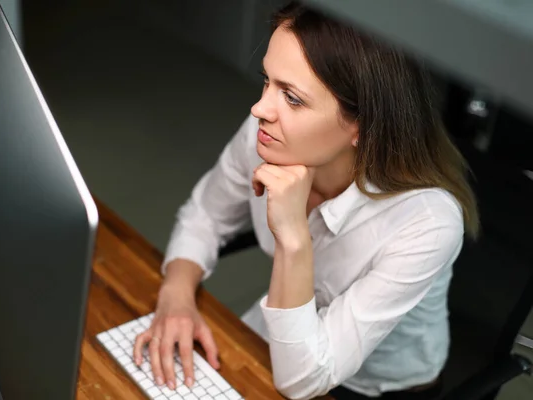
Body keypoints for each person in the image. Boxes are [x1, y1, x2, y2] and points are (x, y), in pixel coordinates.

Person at [133, 1, 479, 399]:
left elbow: (304, 381)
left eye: (292, 99)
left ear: (362, 127)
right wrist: (176, 294)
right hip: (286, 335)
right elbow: (204, 216)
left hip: (373, 387)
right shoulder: (265, 134)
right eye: (267, 81)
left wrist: (293, 235)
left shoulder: (427, 222)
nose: (259, 109)